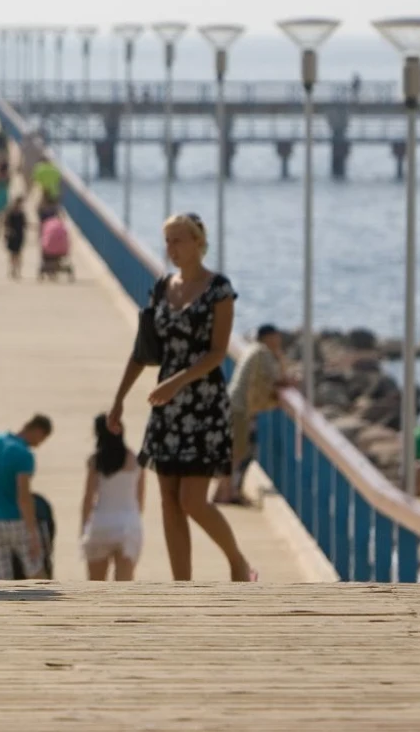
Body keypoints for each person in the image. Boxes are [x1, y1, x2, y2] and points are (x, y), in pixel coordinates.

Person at [106, 213, 255, 582]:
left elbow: (218, 352)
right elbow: (143, 350)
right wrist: (119, 399)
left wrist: (177, 382)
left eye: (178, 240)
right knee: (168, 500)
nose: (172, 248)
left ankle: (237, 562)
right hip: (167, 408)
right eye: (167, 241)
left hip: (203, 404)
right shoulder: (161, 289)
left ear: (198, 243)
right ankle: (181, 585)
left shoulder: (219, 289)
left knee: (192, 500)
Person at [213, 324, 287, 505]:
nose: (279, 340)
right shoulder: (262, 352)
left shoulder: (253, 350)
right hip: (239, 408)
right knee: (236, 453)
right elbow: (276, 379)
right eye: (276, 337)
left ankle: (224, 492)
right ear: (268, 337)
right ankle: (225, 493)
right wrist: (281, 360)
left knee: (233, 452)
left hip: (232, 405)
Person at [0, 415, 54, 579]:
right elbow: (23, 497)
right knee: (35, 571)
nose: (39, 444)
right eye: (42, 439)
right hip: (18, 520)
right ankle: (44, 604)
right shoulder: (23, 454)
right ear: (37, 430)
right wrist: (33, 533)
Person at [80, 413, 145, 581]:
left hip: (100, 524)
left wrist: (83, 528)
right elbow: (140, 498)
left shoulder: (95, 461)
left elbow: (88, 497)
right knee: (124, 587)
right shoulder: (136, 459)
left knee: (96, 587)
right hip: (128, 525)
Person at [38, 210, 73, 281]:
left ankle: (50, 272)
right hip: (61, 250)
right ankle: (54, 270)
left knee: (47, 257)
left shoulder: (48, 224)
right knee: (57, 256)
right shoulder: (63, 225)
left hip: (48, 249)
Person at [2, 196, 27, 279]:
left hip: (19, 236)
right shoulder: (11, 213)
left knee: (17, 254)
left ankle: (17, 271)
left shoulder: (20, 213)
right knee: (13, 255)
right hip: (13, 236)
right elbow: (6, 224)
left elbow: (24, 224)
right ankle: (13, 270)